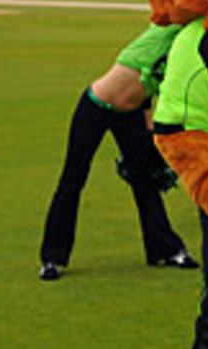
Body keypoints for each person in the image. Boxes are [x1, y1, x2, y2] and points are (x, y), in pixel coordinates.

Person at [38, 23, 198, 280]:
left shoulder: (187, 53)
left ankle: (166, 250)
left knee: (145, 182)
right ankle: (52, 259)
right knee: (72, 179)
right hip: (95, 107)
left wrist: (150, 132)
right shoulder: (164, 32)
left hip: (131, 114)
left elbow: (150, 86)